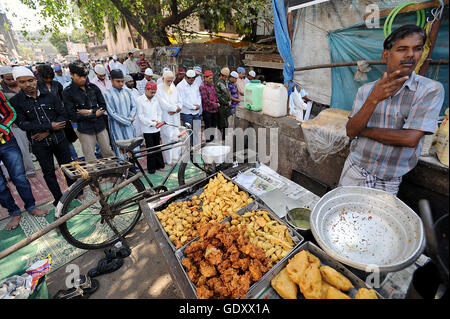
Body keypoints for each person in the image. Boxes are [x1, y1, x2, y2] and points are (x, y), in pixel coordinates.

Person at [339, 25, 445, 196]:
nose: (411, 55)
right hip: (357, 167)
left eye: (417, 49)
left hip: (390, 177)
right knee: (342, 216)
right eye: (402, 49)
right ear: (386, 55)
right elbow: (351, 131)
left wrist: (364, 131)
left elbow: (410, 139)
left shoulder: (430, 90)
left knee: (378, 221)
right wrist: (374, 98)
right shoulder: (366, 91)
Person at [10, 66, 74, 207]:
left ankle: (76, 192)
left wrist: (49, 131)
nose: (28, 85)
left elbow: (63, 114)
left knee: (68, 167)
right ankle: (59, 200)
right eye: (22, 82)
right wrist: (51, 126)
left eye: (30, 80)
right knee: (48, 173)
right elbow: (23, 124)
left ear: (35, 79)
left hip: (59, 139)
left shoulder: (50, 95)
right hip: (40, 145)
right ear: (18, 83)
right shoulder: (16, 101)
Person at [0, 91, 48, 230]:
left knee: (19, 178)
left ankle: (31, 207)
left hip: (7, 142)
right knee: (0, 186)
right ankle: (14, 212)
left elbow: (11, 113)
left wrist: (2, 128)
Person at [62, 60, 115, 162]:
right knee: (90, 158)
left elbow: (103, 106)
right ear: (71, 74)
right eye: (80, 76)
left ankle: (114, 176)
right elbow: (72, 115)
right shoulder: (67, 92)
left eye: (85, 76)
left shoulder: (93, 88)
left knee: (108, 153)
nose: (83, 79)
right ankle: (95, 178)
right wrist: (95, 114)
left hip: (100, 126)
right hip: (85, 129)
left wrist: (89, 112)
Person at [37, 64, 79, 161]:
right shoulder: (37, 87)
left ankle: (75, 159)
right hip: (48, 117)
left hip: (61, 115)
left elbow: (63, 98)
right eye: (46, 78)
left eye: (50, 78)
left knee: (67, 140)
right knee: (57, 142)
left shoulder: (56, 85)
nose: (48, 80)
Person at [0, 65, 36, 177]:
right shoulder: (2, 90)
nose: (11, 81)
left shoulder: (24, 85)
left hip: (31, 119)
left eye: (13, 78)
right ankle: (30, 170)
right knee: (23, 147)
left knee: (33, 143)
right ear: (3, 78)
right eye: (8, 79)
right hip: (15, 124)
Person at [104, 69, 138, 158]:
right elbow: (111, 112)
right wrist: (127, 121)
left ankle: (133, 169)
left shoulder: (127, 92)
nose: (121, 84)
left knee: (132, 149)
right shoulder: (107, 94)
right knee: (121, 152)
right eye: (118, 81)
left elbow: (134, 106)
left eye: (122, 81)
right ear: (111, 80)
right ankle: (124, 171)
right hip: (117, 127)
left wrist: (131, 117)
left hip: (129, 126)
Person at [136, 81, 165, 174]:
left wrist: (158, 121)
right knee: (150, 148)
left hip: (157, 127)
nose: (153, 94)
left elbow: (159, 112)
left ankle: (160, 165)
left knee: (157, 146)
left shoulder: (156, 99)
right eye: (151, 92)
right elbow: (140, 116)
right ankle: (151, 168)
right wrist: (151, 123)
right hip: (147, 129)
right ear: (146, 89)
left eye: (154, 92)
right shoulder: (140, 100)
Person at [156, 70, 182, 166]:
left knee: (176, 137)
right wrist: (175, 108)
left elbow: (180, 100)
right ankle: (169, 160)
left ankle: (176, 157)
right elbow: (163, 104)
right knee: (167, 138)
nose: (170, 83)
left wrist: (178, 108)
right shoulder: (159, 89)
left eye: (171, 81)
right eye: (168, 81)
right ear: (163, 79)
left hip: (175, 117)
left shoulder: (174, 87)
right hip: (166, 117)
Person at [178, 70, 202, 147]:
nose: (192, 81)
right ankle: (189, 148)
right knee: (188, 131)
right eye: (190, 79)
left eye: (193, 79)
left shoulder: (195, 84)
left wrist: (198, 104)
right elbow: (182, 100)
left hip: (196, 112)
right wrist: (193, 107)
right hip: (186, 113)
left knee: (196, 130)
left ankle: (195, 146)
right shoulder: (180, 86)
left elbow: (198, 96)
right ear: (186, 77)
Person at [199, 70, 219, 143]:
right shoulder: (202, 86)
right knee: (208, 127)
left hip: (214, 110)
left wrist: (217, 101)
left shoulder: (212, 85)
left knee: (213, 127)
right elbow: (205, 100)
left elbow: (215, 95)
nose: (211, 80)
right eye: (210, 78)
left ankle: (212, 142)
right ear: (205, 78)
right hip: (207, 111)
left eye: (212, 78)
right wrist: (215, 104)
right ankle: (208, 143)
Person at [215, 67, 231, 141]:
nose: (227, 78)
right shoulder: (218, 83)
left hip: (227, 106)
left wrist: (229, 101)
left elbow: (227, 93)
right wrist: (226, 102)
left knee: (226, 123)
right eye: (226, 77)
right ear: (222, 76)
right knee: (221, 123)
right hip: (221, 106)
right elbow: (219, 96)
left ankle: (225, 138)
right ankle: (220, 139)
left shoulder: (226, 82)